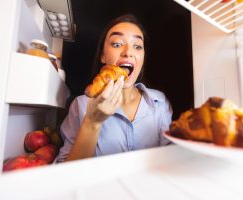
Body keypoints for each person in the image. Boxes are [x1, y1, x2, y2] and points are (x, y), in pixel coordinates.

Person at [56, 14, 172, 162]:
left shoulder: (160, 103)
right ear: (103, 56)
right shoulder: (82, 105)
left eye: (137, 46)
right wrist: (92, 122)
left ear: (142, 57)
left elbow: (170, 160)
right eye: (117, 44)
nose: (128, 52)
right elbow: (64, 174)